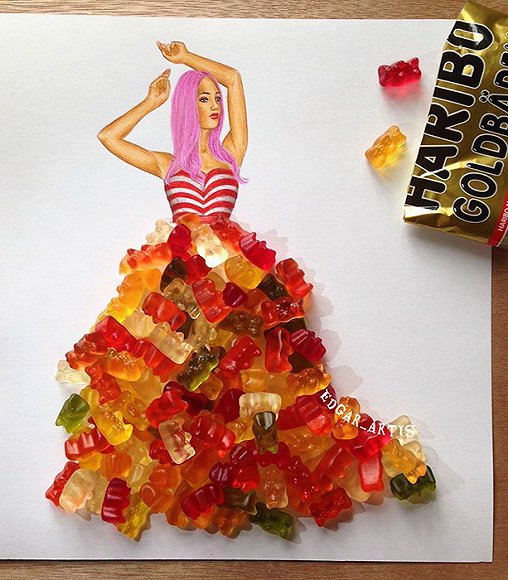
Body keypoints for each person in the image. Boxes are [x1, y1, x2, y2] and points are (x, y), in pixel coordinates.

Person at [47, 41, 436, 541]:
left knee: (267, 369)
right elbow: (108, 136)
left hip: (233, 272)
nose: (214, 106)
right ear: (186, 108)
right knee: (167, 372)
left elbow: (233, 78)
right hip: (177, 278)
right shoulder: (167, 163)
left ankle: (253, 463)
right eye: (203, 99)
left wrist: (188, 58)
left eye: (215, 99)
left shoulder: (232, 151)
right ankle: (183, 466)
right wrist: (152, 100)